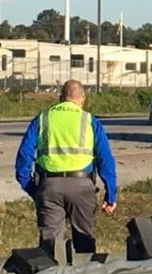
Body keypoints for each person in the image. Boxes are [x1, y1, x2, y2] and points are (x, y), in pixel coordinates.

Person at [15, 80, 117, 258]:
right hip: (82, 186)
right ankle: (86, 269)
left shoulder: (43, 119)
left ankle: (50, 271)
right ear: (82, 99)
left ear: (60, 98)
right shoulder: (90, 121)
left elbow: (24, 157)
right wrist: (111, 194)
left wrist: (33, 189)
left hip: (49, 186)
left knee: (50, 247)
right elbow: (105, 160)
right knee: (84, 242)